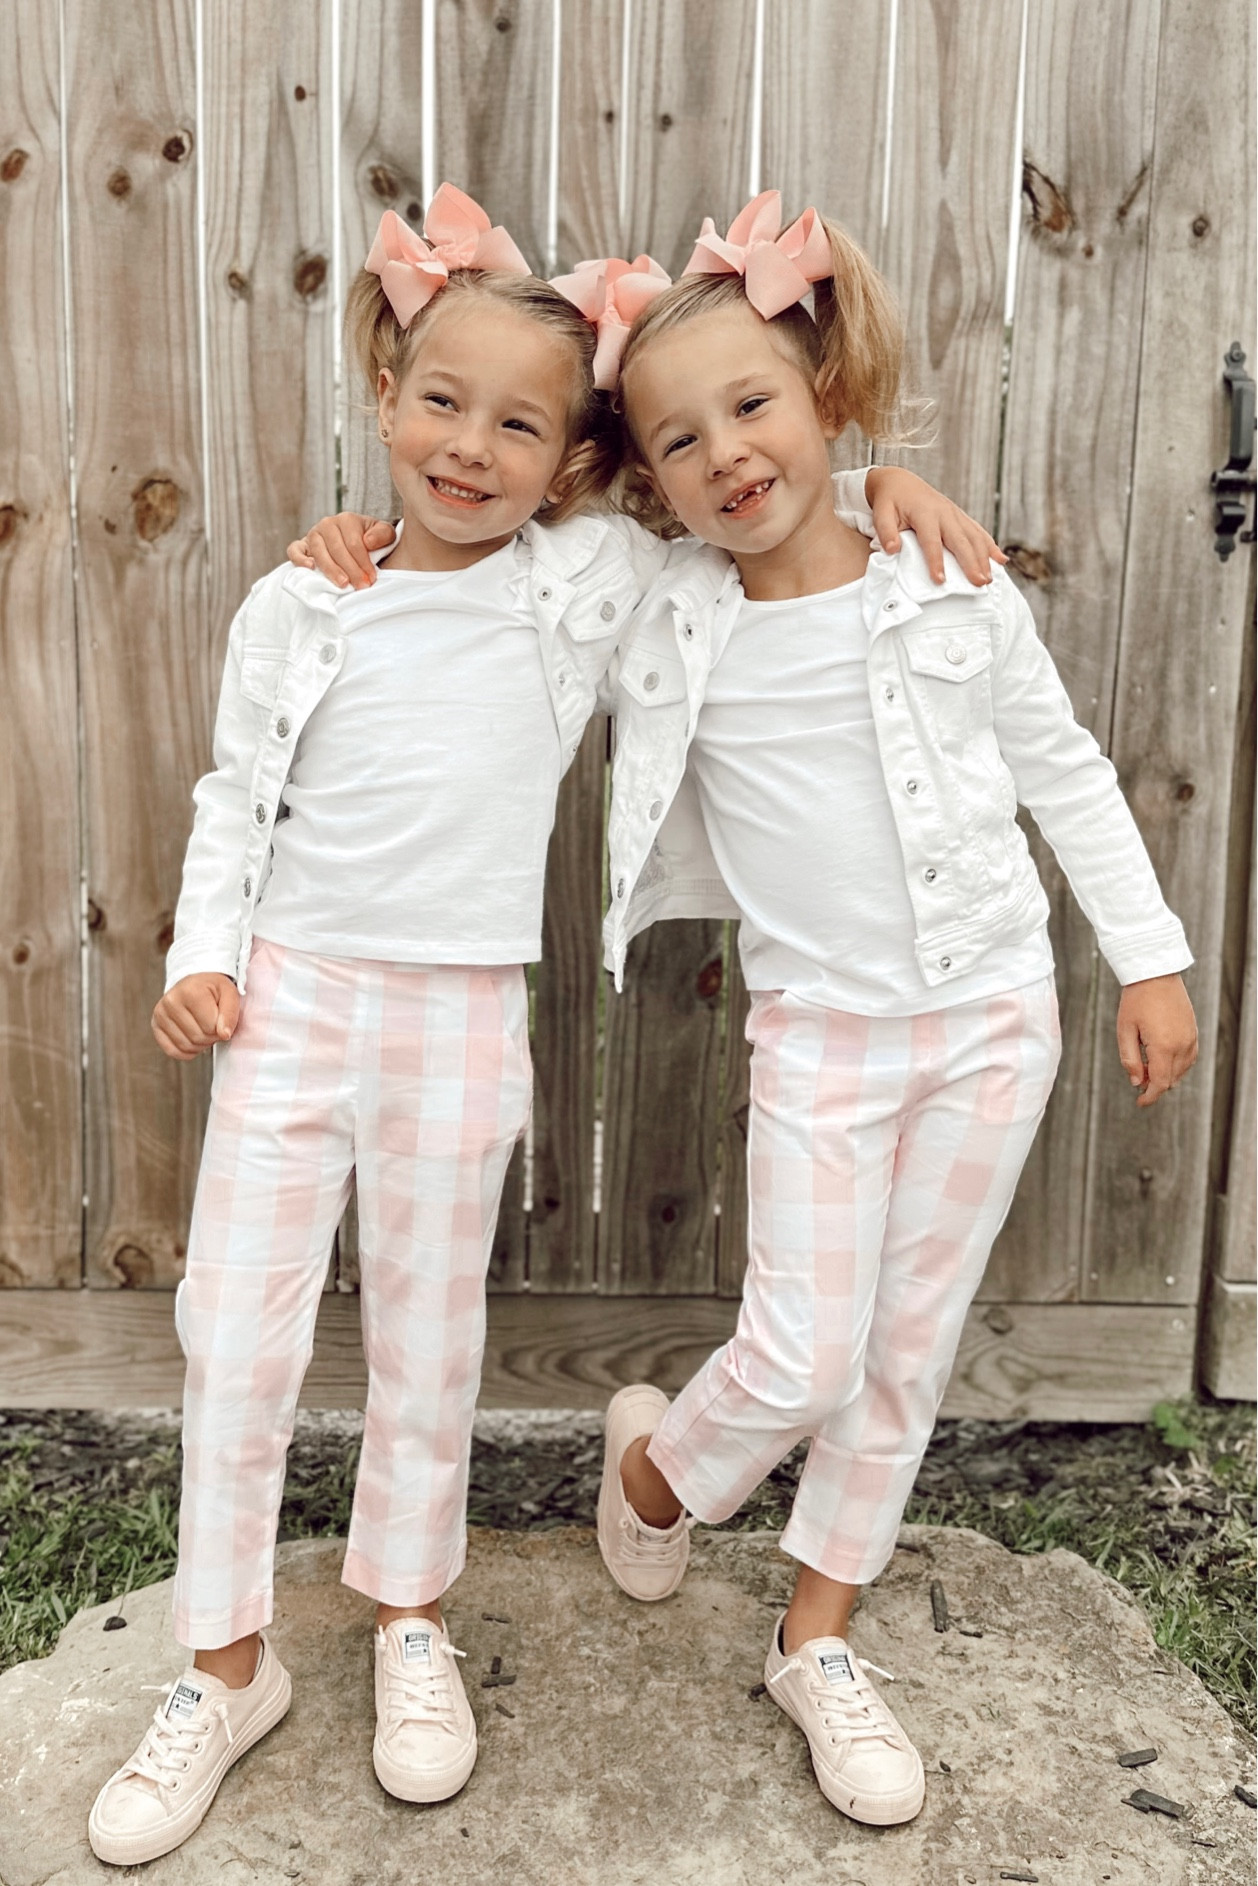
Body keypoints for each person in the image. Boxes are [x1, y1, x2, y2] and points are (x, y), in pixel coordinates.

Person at [87, 185, 991, 1866]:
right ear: (384, 397)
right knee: (238, 1328)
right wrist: (206, 947)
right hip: (290, 996)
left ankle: (407, 1616)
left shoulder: (576, 593)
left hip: (457, 1012)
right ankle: (223, 1666)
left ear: (571, 466)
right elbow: (235, 795)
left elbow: (751, 505)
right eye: (442, 403)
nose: (469, 448)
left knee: (432, 1326)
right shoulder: (305, 602)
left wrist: (876, 485)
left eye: (519, 426)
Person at [591, 191, 1199, 1828]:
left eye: (752, 406)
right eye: (676, 438)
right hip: (823, 1038)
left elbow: (1063, 769)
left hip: (998, 1017)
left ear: (823, 394)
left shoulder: (944, 574)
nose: (725, 452)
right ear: (643, 480)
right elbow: (518, 541)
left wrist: (1147, 955)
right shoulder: (664, 617)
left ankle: (817, 1638)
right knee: (797, 1351)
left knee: (900, 1352)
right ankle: (651, 1466)